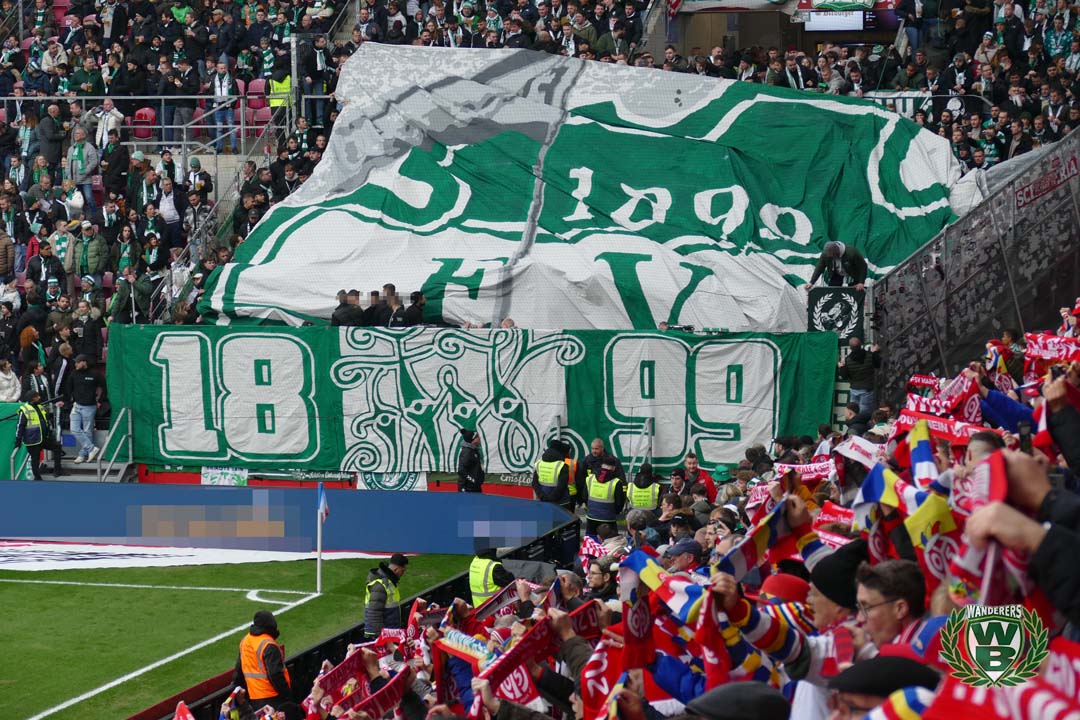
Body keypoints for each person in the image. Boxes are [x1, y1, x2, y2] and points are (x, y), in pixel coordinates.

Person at [233, 610, 293, 714]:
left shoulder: (245, 641)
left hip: (254, 698)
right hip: (273, 698)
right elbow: (275, 675)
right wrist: (287, 694)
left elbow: (239, 670)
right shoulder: (269, 644)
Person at [65, 354, 103, 463]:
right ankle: (91, 448)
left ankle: (82, 454)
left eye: (78, 362)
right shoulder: (74, 374)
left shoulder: (95, 374)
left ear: (84, 362)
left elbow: (104, 387)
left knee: (87, 431)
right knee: (74, 429)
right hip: (76, 406)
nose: (75, 364)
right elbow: (68, 389)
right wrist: (69, 401)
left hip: (89, 407)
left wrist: (100, 401)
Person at [364, 552, 409, 638]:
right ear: (396, 569)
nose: (403, 574)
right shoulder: (381, 585)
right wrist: (382, 637)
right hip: (380, 636)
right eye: (402, 570)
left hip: (389, 633)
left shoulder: (389, 583)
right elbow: (374, 614)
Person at [15, 386, 52, 480]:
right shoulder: (24, 410)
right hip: (32, 439)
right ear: (32, 399)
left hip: (43, 437)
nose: (39, 398)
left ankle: (58, 470)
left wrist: (49, 431)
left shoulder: (40, 407)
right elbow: (20, 426)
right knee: (35, 459)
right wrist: (18, 440)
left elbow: (45, 420)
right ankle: (37, 477)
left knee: (57, 447)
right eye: (36, 396)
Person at [584, 454, 626, 535]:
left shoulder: (590, 478)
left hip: (592, 517)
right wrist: (615, 512)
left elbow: (584, 496)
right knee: (610, 543)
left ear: (602, 465)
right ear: (613, 468)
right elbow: (619, 503)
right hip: (609, 519)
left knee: (591, 541)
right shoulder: (616, 482)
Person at [838, 337, 881, 415]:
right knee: (864, 414)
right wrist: (875, 352)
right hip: (867, 390)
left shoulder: (847, 360)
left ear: (850, 348)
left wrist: (841, 367)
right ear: (861, 345)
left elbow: (844, 377)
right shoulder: (870, 356)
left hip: (854, 389)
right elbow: (877, 365)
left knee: (853, 413)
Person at [533, 438, 572, 511]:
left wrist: (542, 497)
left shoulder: (539, 464)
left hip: (543, 502)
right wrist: (551, 499)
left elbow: (535, 483)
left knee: (544, 522)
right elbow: (561, 486)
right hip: (561, 504)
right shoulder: (562, 465)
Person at [457, 428, 484, 493]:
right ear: (473, 440)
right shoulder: (467, 452)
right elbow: (461, 470)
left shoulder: (474, 450)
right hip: (467, 488)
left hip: (475, 487)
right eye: (477, 437)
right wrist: (473, 480)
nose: (480, 438)